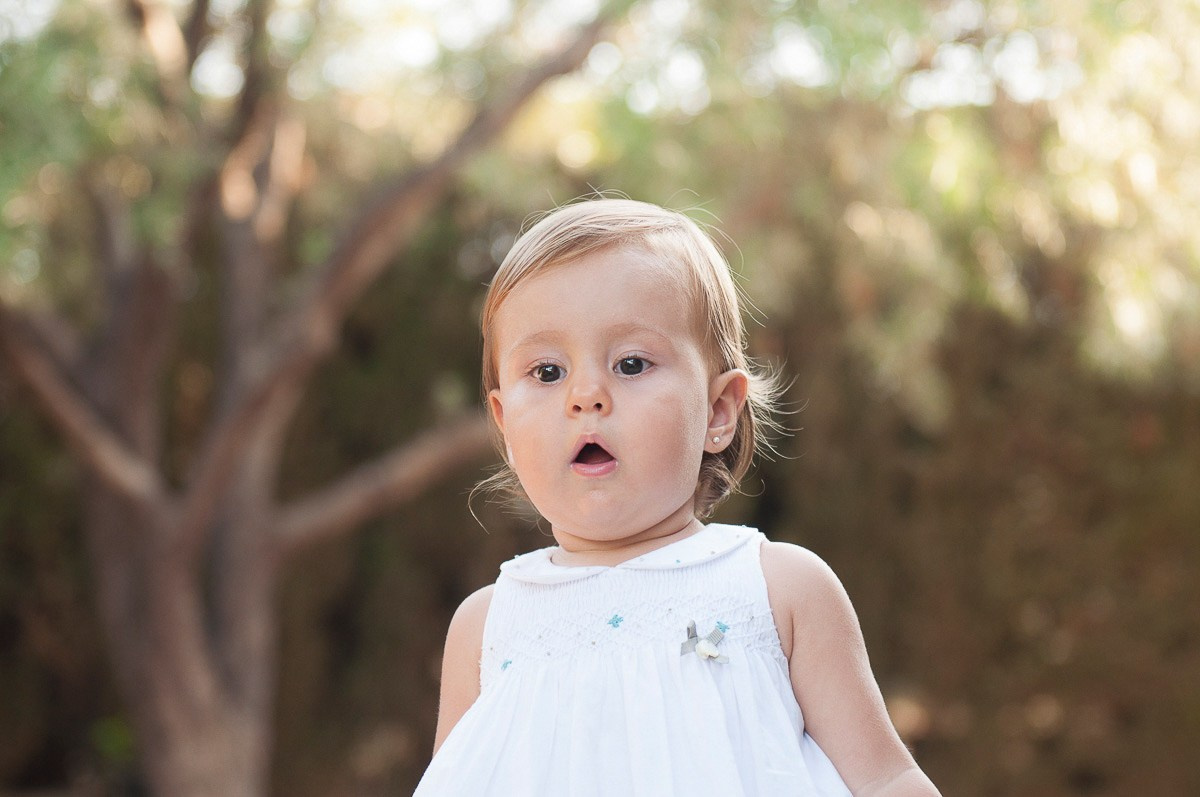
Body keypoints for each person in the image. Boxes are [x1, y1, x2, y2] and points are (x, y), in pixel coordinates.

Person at [413, 198, 940, 796]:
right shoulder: (487, 627)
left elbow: (885, 778)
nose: (586, 395)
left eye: (631, 363)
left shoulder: (778, 590)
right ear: (505, 425)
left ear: (718, 412)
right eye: (548, 371)